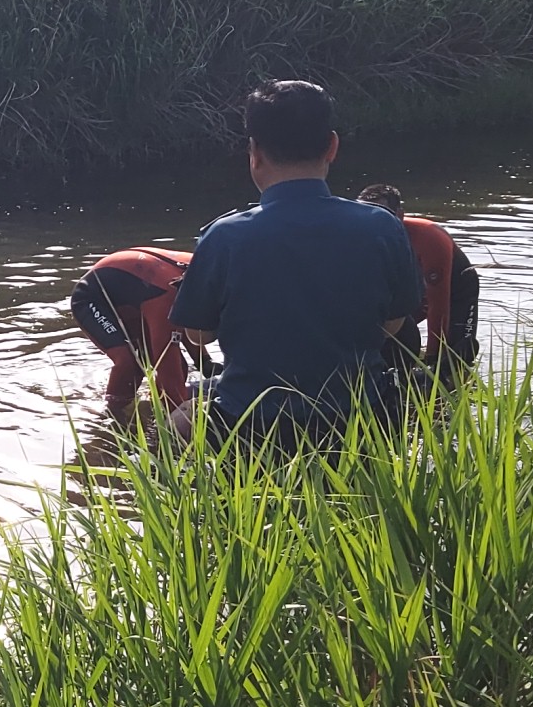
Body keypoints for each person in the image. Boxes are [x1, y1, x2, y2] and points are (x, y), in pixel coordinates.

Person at [168, 80, 422, 449]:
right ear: (332, 146)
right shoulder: (382, 226)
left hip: (253, 427)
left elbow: (199, 336)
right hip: (358, 422)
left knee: (174, 426)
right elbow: (394, 324)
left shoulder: (223, 236)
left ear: (254, 152)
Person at [356, 184, 480, 388]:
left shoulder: (428, 237)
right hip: (412, 289)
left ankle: (455, 388)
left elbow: (439, 307)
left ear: (400, 215)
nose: (373, 223)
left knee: (456, 356)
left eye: (382, 215)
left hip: (454, 290)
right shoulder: (356, 236)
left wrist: (433, 362)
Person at [69, 247, 205, 418]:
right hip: (92, 297)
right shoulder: (167, 297)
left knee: (180, 368)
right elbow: (166, 360)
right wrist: (181, 416)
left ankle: (155, 410)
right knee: (130, 363)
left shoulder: (210, 271)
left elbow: (187, 324)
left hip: (135, 294)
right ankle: (113, 418)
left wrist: (204, 361)